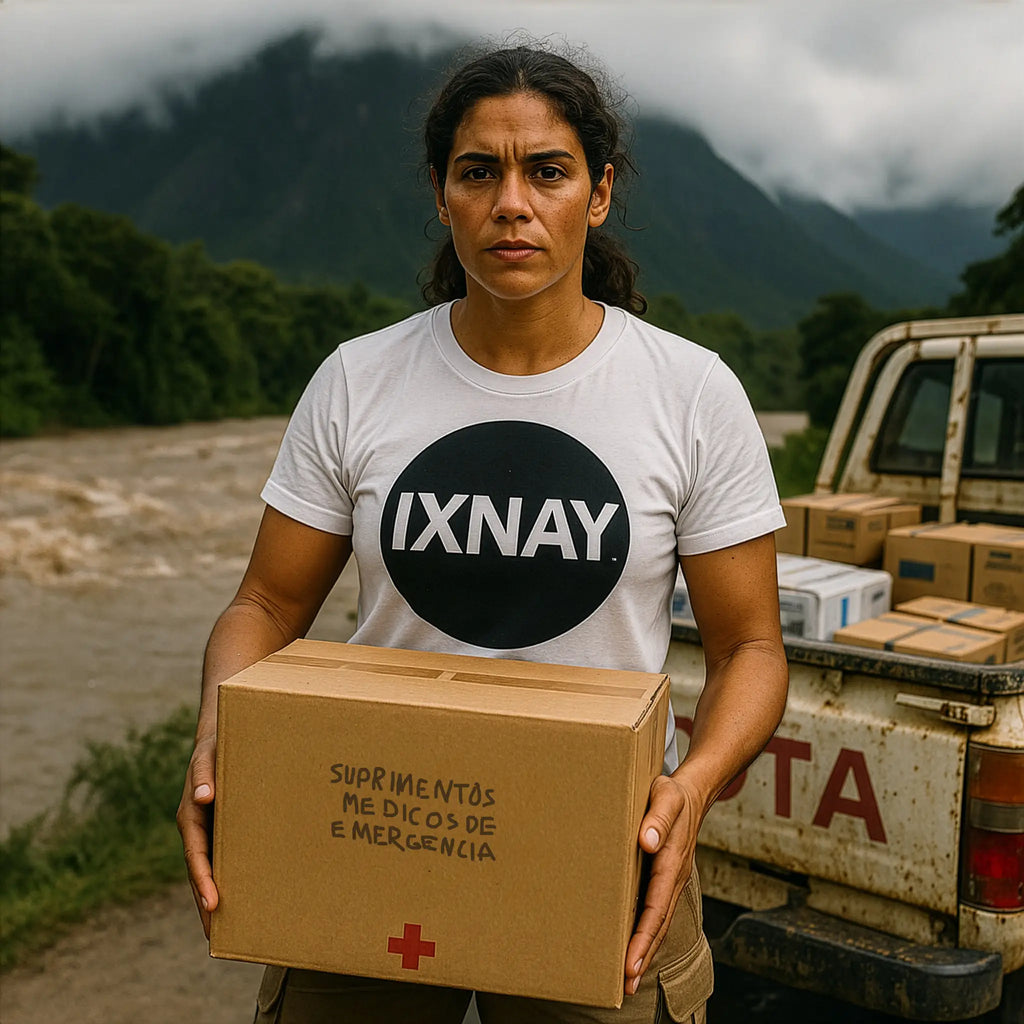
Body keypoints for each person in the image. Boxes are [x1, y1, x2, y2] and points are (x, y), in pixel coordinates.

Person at [177, 42, 789, 1024]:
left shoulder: (690, 393)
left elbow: (750, 646)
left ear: (598, 193)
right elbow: (265, 603)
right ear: (440, 195)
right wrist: (219, 737)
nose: (512, 203)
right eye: (478, 173)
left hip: (600, 842)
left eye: (547, 171)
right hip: (372, 822)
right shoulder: (358, 380)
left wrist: (696, 785)